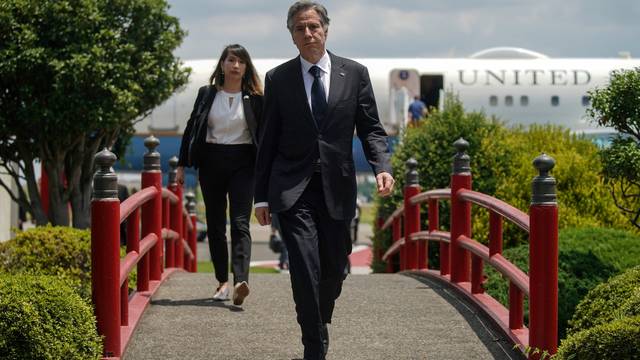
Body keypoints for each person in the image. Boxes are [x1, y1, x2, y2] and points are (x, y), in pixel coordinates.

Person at [254, 2, 394, 358]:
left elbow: (371, 129)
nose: (308, 34)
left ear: (326, 30)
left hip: (337, 186)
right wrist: (261, 197)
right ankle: (313, 346)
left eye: (314, 26)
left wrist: (382, 166)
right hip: (291, 188)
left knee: (334, 269)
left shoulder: (355, 73)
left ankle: (321, 319)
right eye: (300, 29)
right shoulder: (278, 78)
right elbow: (267, 140)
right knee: (304, 267)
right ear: (292, 36)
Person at [177, 44, 263, 306]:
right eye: (231, 60)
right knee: (215, 225)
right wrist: (182, 165)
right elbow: (191, 128)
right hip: (211, 162)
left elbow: (266, 135)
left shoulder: (256, 99)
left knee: (239, 223)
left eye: (240, 61)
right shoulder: (206, 94)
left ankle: (240, 281)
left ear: (246, 67)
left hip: (243, 164)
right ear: (222, 64)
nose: (235, 66)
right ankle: (221, 282)